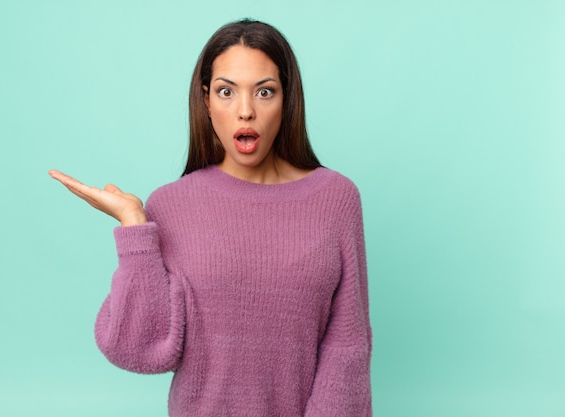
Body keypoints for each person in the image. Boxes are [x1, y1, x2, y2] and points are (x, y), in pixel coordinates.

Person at [50, 19, 372, 417]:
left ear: (287, 99)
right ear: (206, 101)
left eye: (265, 92)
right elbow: (138, 347)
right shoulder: (170, 206)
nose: (245, 111)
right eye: (226, 91)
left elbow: (348, 345)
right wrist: (134, 226)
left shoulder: (336, 199)